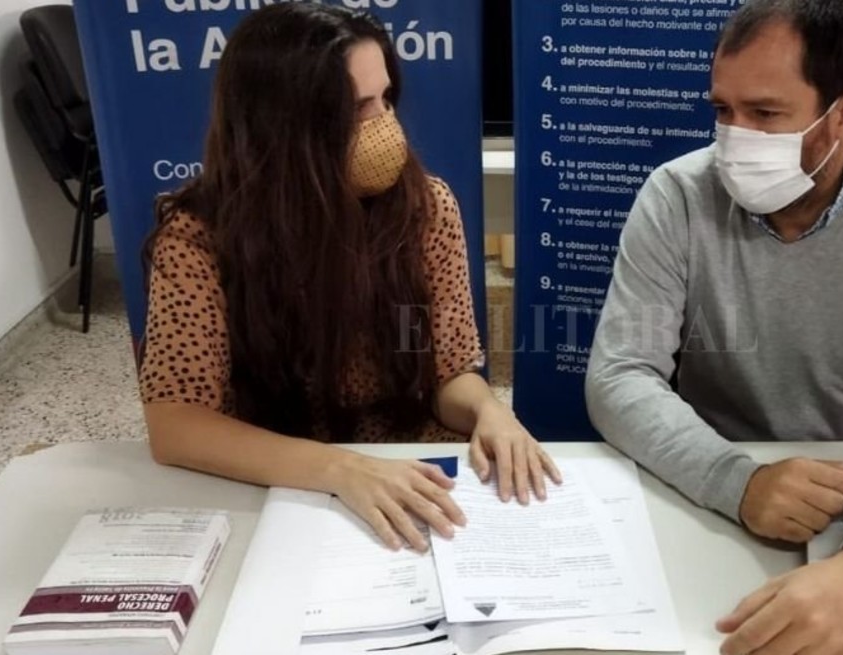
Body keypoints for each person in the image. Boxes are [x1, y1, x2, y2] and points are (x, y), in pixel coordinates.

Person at [585, 0, 843, 653]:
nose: (734, 138)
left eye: (765, 114)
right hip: (712, 486)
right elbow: (620, 374)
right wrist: (738, 481)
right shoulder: (676, 197)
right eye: (723, 110)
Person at [138, 4, 559, 554]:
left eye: (387, 99)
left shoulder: (425, 208)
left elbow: (448, 375)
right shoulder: (199, 236)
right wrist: (341, 469)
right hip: (277, 475)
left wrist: (488, 410)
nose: (385, 124)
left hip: (406, 464)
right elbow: (176, 424)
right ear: (283, 124)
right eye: (359, 107)